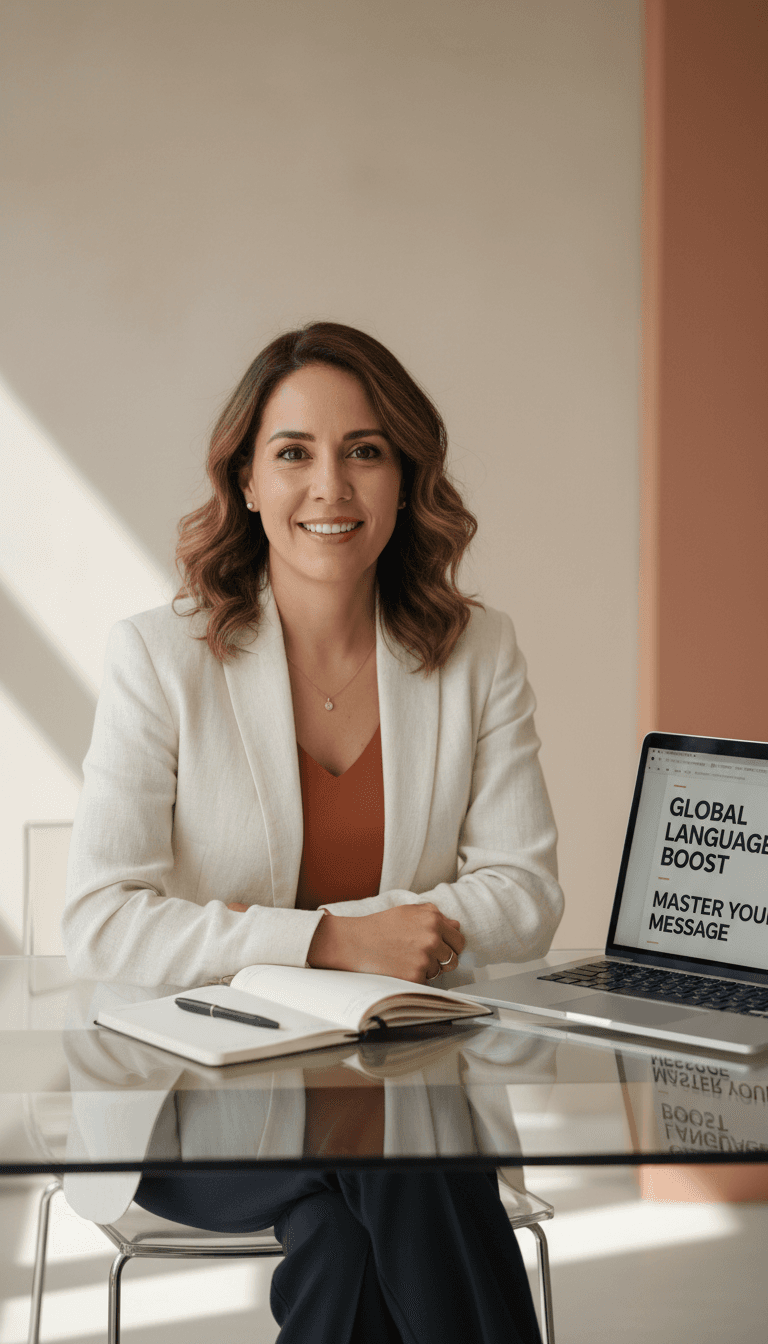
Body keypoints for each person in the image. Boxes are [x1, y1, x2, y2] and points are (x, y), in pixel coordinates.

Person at [62, 320, 564, 1343]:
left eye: (364, 451)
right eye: (295, 453)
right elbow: (102, 924)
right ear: (246, 480)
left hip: (391, 1090)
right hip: (191, 1103)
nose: (330, 486)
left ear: (405, 476)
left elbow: (524, 895)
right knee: (401, 1160)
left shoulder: (479, 654)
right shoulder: (160, 659)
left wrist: (357, 939)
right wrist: (332, 945)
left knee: (346, 1229)